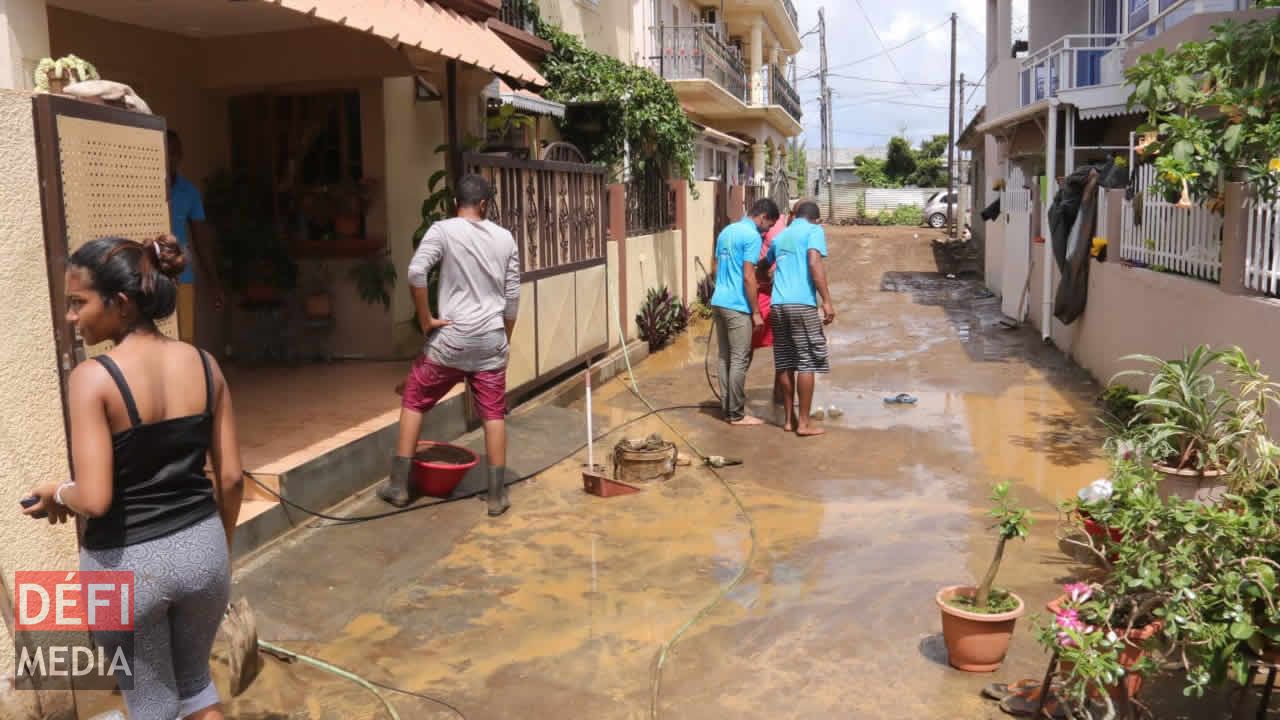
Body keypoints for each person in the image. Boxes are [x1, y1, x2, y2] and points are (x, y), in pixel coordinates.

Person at [24, 234, 244, 720]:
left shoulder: (92, 378)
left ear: (120, 304)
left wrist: (57, 492)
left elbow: (96, 497)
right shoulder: (205, 365)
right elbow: (230, 478)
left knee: (151, 706)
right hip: (203, 550)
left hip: (127, 566)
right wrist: (220, 550)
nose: (70, 317)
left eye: (78, 303)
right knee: (197, 690)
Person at [378, 174, 520, 516]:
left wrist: (426, 319)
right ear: (484, 204)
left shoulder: (442, 230)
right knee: (493, 413)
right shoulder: (505, 238)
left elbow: (415, 273)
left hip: (451, 339)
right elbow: (512, 298)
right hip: (490, 340)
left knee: (414, 398)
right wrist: (503, 341)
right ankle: (497, 496)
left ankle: (398, 486)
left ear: (457, 201)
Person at [765, 200, 835, 436]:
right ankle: (803, 424)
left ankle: (788, 420)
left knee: (785, 360)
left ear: (796, 216)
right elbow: (814, 261)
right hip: (802, 305)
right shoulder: (814, 230)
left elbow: (764, 267)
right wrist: (826, 300)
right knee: (807, 362)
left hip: (778, 306)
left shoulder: (781, 236)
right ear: (815, 219)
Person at [709, 198, 781, 426]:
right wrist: (756, 312)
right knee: (739, 359)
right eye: (769, 225)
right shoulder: (751, 236)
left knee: (724, 357)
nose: (767, 231)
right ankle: (736, 414)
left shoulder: (726, 231)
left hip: (719, 301)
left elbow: (716, 267)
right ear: (762, 217)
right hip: (737, 305)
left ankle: (727, 407)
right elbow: (749, 276)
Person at [166, 129, 222, 344]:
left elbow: (202, 240)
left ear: (179, 156)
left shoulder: (189, 192)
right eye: (165, 151)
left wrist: (213, 283)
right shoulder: (145, 188)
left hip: (183, 277)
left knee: (185, 339)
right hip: (153, 278)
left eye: (174, 152)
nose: (169, 157)